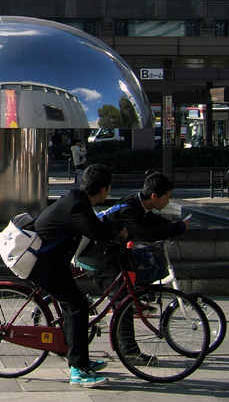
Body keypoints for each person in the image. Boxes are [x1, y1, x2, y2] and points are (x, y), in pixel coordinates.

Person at [27, 163, 127, 388]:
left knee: (75, 305)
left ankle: (79, 357)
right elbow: (96, 231)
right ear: (104, 190)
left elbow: (93, 226)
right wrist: (115, 232)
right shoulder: (78, 205)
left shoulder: (77, 199)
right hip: (44, 264)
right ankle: (78, 370)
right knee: (77, 306)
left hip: (50, 261)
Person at [77, 172, 190, 363]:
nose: (168, 202)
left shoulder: (138, 205)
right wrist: (178, 228)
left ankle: (136, 302)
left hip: (109, 253)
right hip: (95, 257)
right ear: (154, 196)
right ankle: (129, 351)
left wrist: (174, 224)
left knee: (131, 285)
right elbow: (147, 233)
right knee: (123, 300)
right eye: (166, 197)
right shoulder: (130, 210)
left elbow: (151, 221)